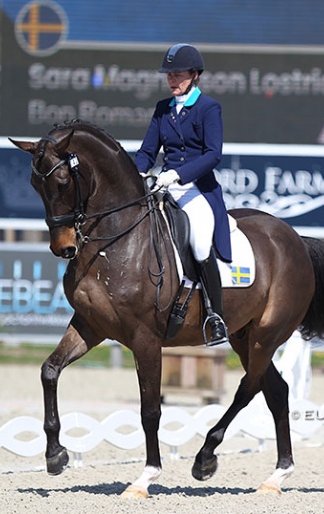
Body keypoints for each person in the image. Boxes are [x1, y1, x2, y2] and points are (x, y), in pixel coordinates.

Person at [134, 43, 231, 346]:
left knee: (200, 243)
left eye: (177, 75)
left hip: (196, 187)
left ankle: (216, 316)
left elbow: (213, 154)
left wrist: (178, 174)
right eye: (169, 75)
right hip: (164, 186)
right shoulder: (163, 108)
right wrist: (135, 173)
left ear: (194, 75)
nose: (172, 80)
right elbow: (148, 152)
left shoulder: (208, 108)